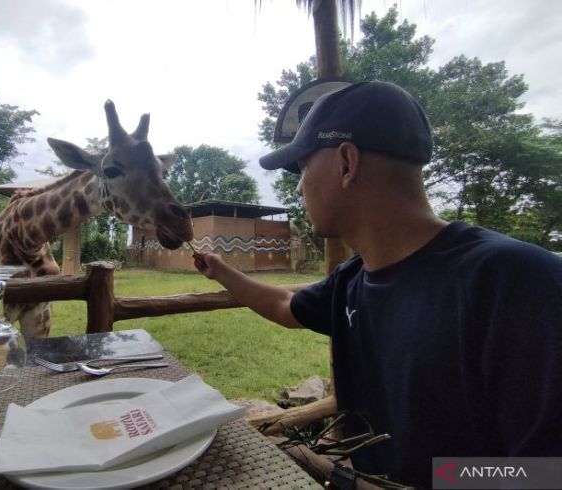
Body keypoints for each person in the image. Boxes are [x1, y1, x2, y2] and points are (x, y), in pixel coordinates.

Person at [193, 81, 562, 488]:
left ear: (347, 163)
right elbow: (284, 304)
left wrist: (431, 479)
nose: (299, 187)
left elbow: (545, 473)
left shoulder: (516, 281)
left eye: (302, 169)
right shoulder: (352, 280)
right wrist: (221, 271)